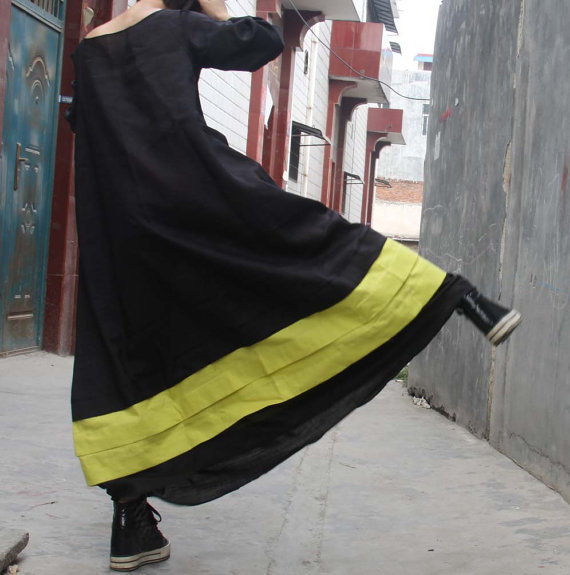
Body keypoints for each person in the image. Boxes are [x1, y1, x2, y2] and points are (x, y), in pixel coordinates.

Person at [66, 0, 522, 571]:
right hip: (194, 196)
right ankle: (457, 296)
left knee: (128, 352)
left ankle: (129, 523)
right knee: (308, 240)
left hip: (122, 231)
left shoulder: (89, 51)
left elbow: (84, 122)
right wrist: (215, 9)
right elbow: (259, 41)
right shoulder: (177, 28)